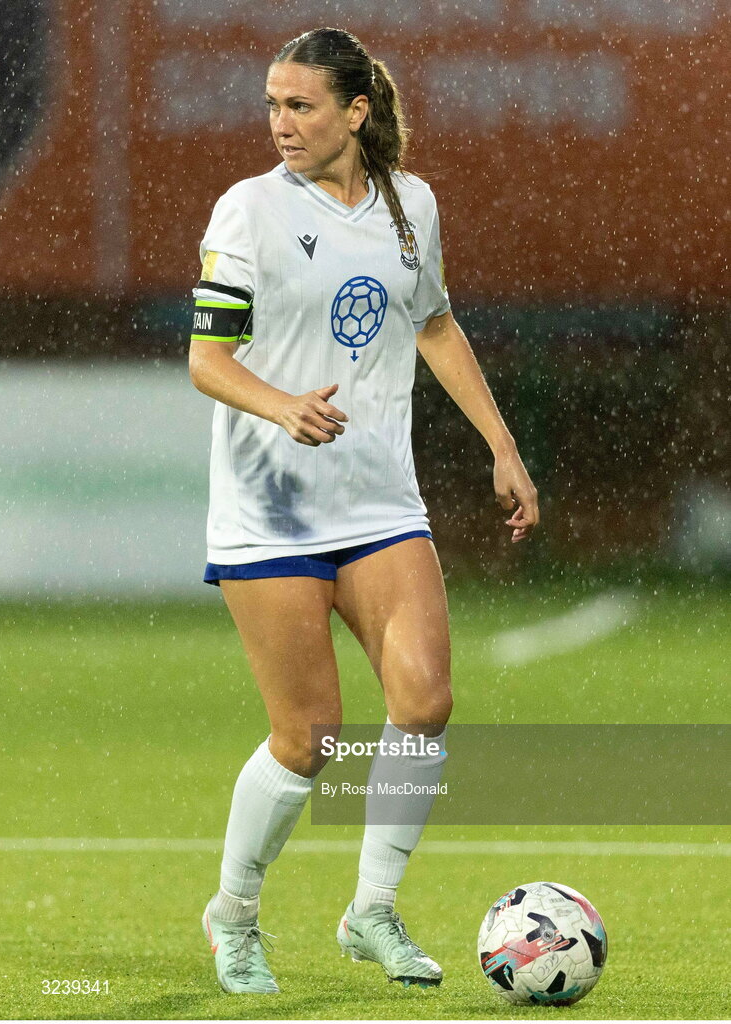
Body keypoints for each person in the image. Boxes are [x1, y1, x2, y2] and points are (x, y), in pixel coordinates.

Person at [188, 27, 539, 996]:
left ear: (356, 111)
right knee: (308, 738)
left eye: (299, 105)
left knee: (424, 699)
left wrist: (500, 446)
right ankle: (236, 914)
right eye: (270, 104)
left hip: (380, 500)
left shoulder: (408, 205)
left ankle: (369, 908)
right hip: (270, 509)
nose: (279, 124)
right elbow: (206, 360)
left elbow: (431, 321)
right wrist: (280, 404)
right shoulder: (249, 211)